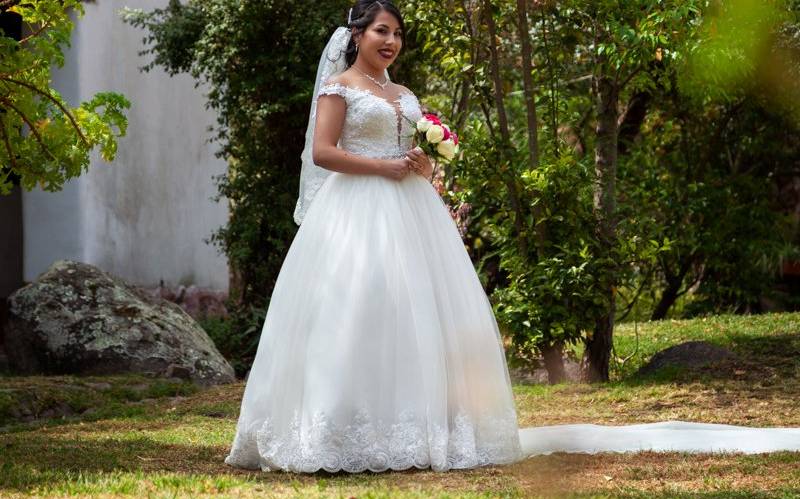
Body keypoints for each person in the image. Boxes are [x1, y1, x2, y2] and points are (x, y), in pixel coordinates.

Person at [225, 0, 800, 473]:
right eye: (381, 31)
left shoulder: (403, 95)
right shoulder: (339, 88)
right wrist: (385, 168)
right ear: (356, 35)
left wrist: (424, 164)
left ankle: (418, 429)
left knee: (419, 315)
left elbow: (407, 150)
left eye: (398, 33)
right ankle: (337, 431)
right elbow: (324, 153)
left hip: (409, 209)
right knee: (357, 310)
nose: (391, 41)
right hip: (355, 213)